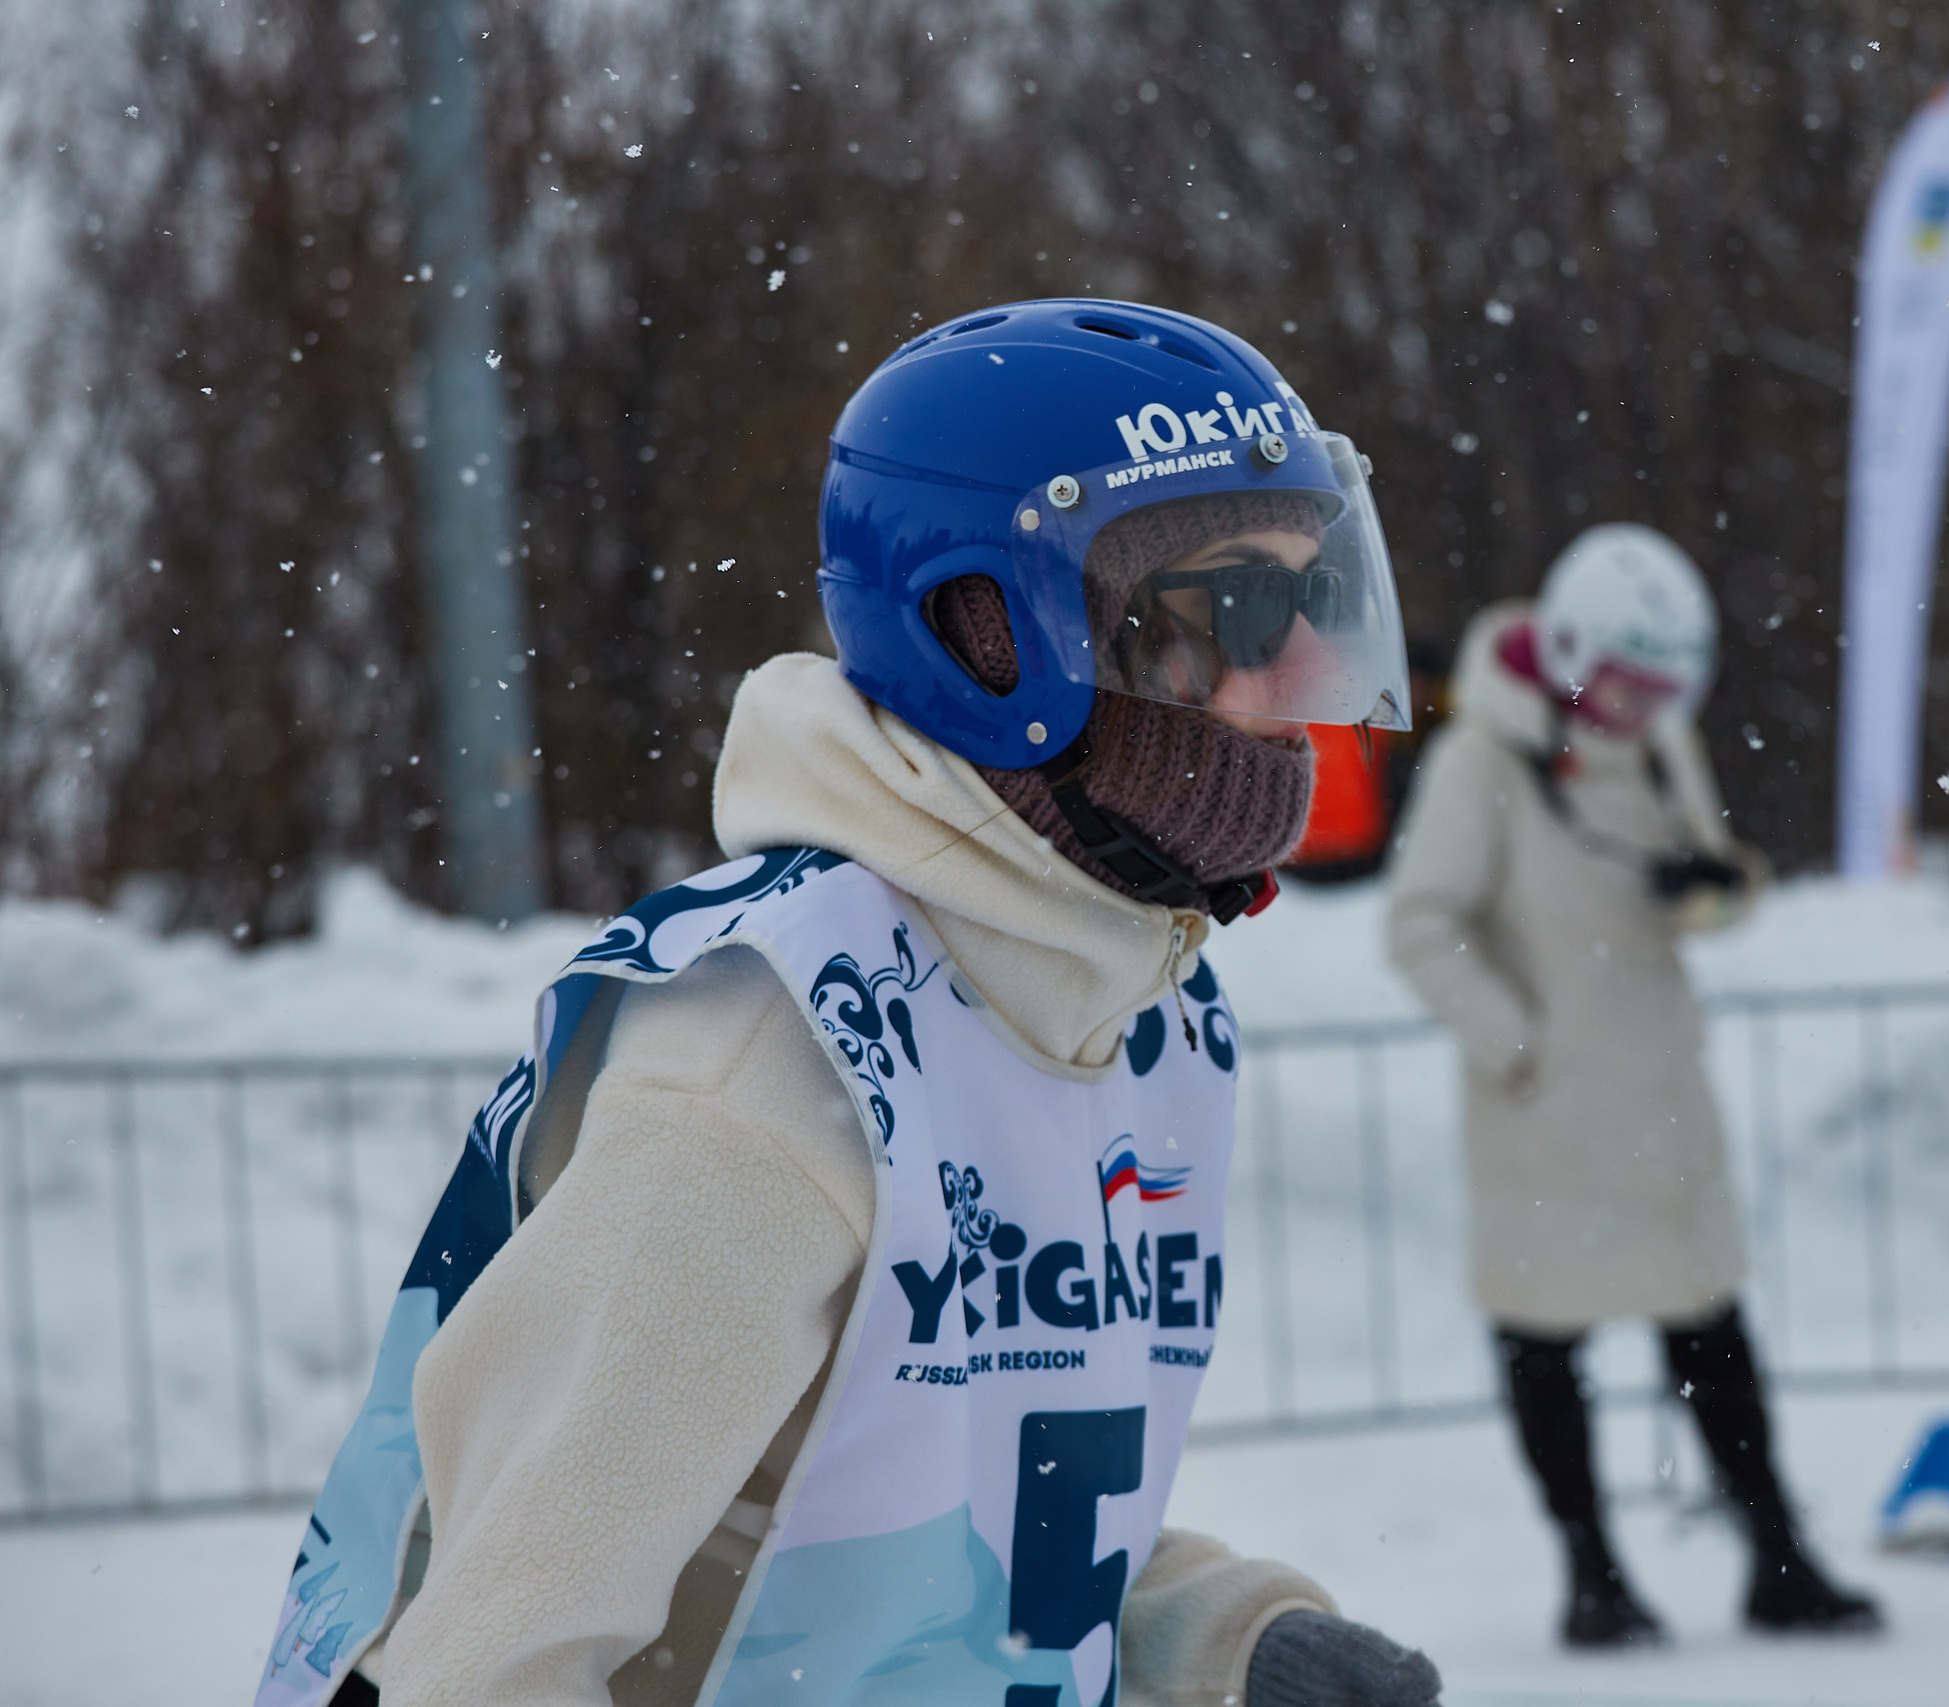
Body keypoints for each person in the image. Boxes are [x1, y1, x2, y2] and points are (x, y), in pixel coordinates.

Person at [254, 300, 1440, 1707]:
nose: (1300, 674)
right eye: (1236, 604)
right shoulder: (779, 1055)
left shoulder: (1143, 1020)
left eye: (1311, 600)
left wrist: (1219, 1640)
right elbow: (495, 1654)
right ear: (994, 634)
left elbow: (944, 1505)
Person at [1385, 525, 1880, 1648]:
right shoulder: (1480, 762)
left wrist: (1714, 888)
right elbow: (1421, 924)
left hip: (1659, 1098)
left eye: (1664, 691)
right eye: (1626, 685)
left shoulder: (1658, 742)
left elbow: (1705, 869)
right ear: (1570, 653)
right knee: (1545, 1343)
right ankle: (1592, 1572)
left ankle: (1778, 1556)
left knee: (1711, 1331)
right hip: (1542, 1118)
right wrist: (1515, 1041)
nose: (1643, 709)